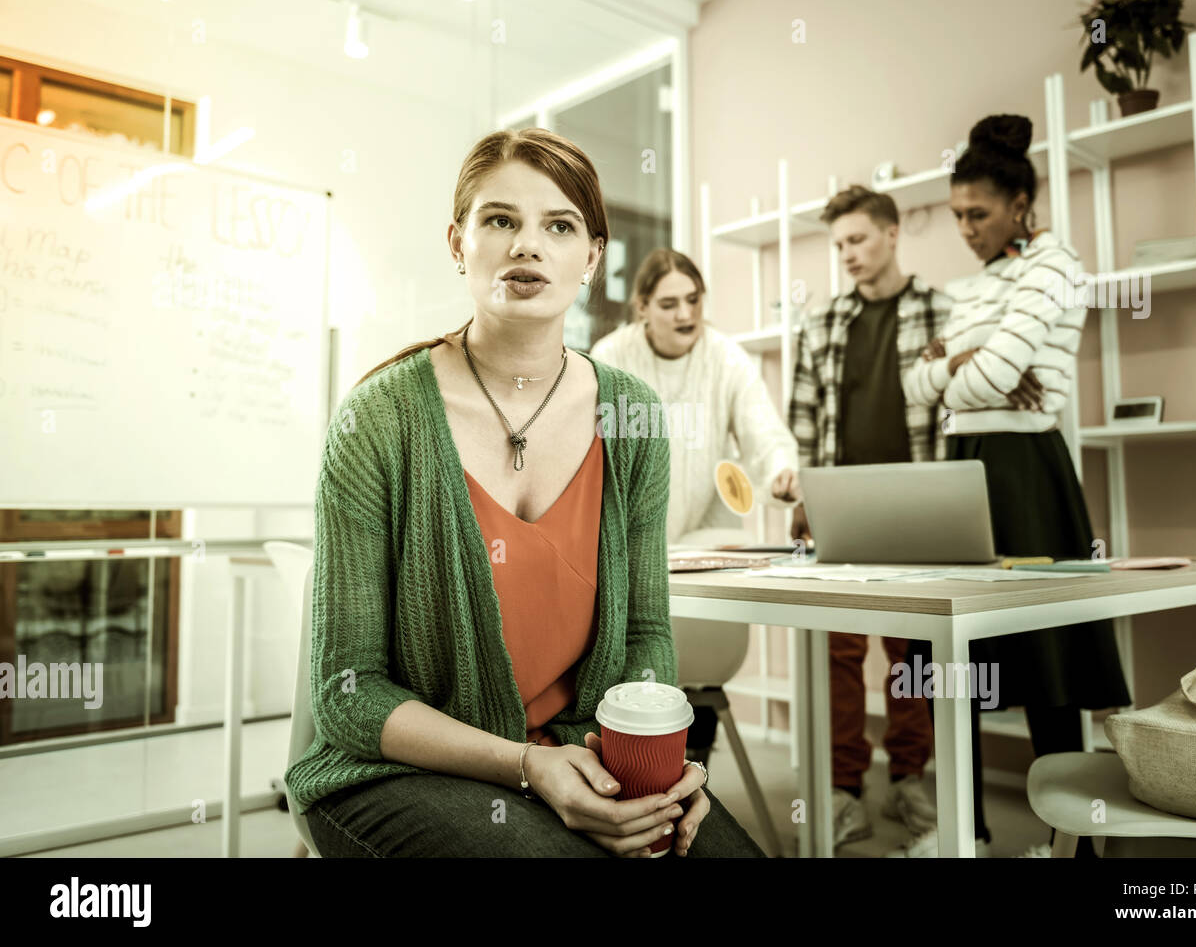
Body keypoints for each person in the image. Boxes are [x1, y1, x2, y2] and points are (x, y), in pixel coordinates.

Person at [284, 128, 765, 857]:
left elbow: (645, 636)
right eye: (500, 220)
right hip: (396, 772)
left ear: (593, 258)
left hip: (581, 756)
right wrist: (527, 768)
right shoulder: (377, 420)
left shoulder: (630, 417)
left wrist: (651, 772)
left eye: (560, 226)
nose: (527, 246)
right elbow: (348, 696)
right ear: (458, 243)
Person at [899, 113, 1131, 858]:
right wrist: (970, 360)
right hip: (962, 464)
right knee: (957, 661)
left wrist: (957, 366)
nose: (965, 229)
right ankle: (965, 832)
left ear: (1020, 206)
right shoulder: (977, 285)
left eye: (979, 214)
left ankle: (1075, 845)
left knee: (1048, 663)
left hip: (1027, 473)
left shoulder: (1055, 264)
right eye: (958, 215)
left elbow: (970, 377)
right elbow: (919, 382)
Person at [590, 248, 801, 768]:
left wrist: (780, 473)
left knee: (699, 662)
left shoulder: (726, 357)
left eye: (693, 300)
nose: (686, 314)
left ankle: (694, 762)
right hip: (629, 534)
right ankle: (632, 758)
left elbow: (763, 431)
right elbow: (587, 450)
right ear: (642, 308)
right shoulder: (611, 355)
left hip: (703, 537)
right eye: (669, 304)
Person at [787, 186, 951, 848]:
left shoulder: (942, 311)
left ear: (891, 233)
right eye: (838, 245)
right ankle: (843, 786)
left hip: (920, 497)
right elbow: (803, 421)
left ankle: (910, 777)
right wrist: (804, 495)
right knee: (840, 651)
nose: (847, 254)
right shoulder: (823, 324)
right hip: (843, 505)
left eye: (857, 239)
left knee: (912, 650)